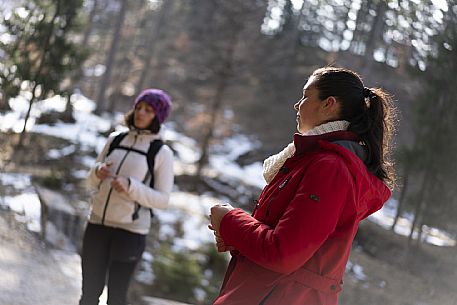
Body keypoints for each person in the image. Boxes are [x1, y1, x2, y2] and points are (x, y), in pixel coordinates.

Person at [209, 67, 396, 305]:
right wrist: (236, 235)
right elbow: (297, 249)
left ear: (329, 104)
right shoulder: (311, 160)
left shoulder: (330, 168)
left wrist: (229, 219)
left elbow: (285, 253)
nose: (297, 105)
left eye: (306, 96)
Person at [79, 89, 174, 305]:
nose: (140, 112)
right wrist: (97, 172)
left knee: (116, 299)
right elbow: (89, 181)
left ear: (157, 117)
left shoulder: (161, 152)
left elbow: (163, 199)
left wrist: (131, 187)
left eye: (148, 110)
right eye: (139, 107)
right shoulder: (115, 139)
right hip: (97, 225)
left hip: (130, 234)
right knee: (88, 294)